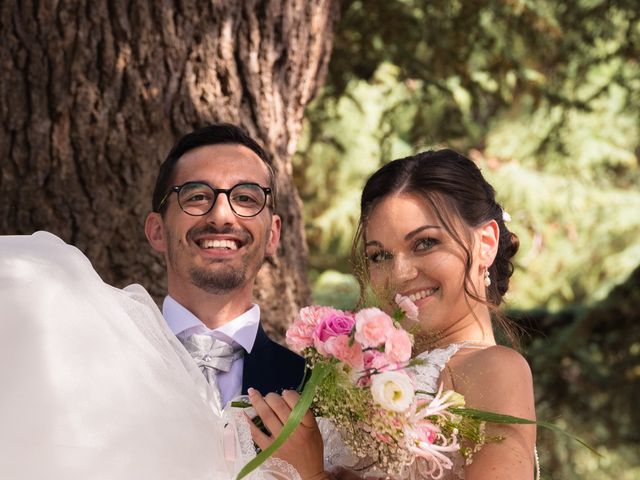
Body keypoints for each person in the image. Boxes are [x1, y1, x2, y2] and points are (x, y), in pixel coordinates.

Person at [249, 149, 537, 479]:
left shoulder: (495, 368)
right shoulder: (372, 372)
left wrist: (312, 474)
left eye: (425, 243)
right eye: (380, 256)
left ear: (485, 243)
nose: (398, 274)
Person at [144, 124, 305, 407]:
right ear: (157, 230)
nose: (221, 216)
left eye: (245, 198)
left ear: (273, 235)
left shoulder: (309, 387)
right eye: (196, 196)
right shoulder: (106, 364)